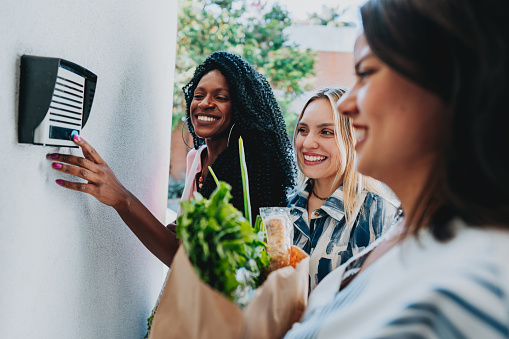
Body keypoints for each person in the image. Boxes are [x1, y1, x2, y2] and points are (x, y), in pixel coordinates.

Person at [285, 0, 509, 337]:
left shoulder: (477, 287)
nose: (347, 105)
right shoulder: (407, 232)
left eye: (367, 73)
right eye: (303, 129)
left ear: (448, 83)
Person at [48, 51, 296, 267]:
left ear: (242, 109)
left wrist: (121, 198)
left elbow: (183, 258)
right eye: (199, 95)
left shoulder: (247, 174)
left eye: (221, 97)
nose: (205, 103)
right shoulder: (197, 159)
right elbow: (180, 239)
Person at [289, 87, 397, 290]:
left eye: (326, 132)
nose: (307, 142)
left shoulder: (380, 216)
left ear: (352, 140)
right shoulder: (284, 209)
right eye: (303, 130)